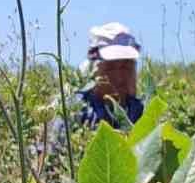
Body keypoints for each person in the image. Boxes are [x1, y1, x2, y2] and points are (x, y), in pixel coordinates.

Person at [41, 22, 147, 166]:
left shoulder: (141, 111)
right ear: (94, 69)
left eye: (126, 66)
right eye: (111, 68)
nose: (120, 76)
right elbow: (50, 163)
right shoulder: (75, 110)